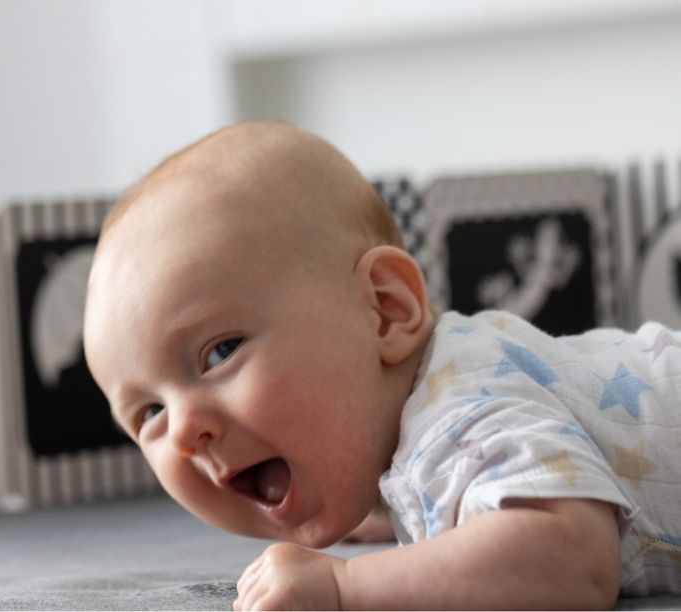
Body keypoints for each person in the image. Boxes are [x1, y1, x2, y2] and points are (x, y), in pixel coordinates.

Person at [83, 121, 681, 609]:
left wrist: (346, 587)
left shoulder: (460, 410)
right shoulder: (425, 428)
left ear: (387, 311)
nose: (184, 430)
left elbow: (571, 555)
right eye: (149, 411)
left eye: (221, 351)